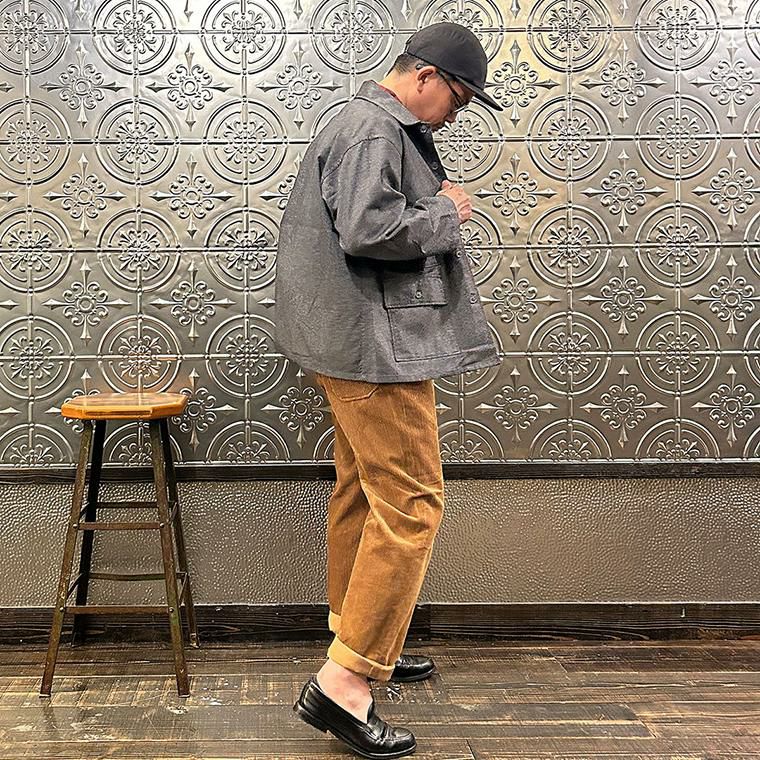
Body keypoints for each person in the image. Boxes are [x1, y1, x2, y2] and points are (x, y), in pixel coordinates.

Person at [274, 21, 503, 759]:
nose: (455, 114)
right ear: (424, 76)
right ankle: (344, 684)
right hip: (376, 348)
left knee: (363, 493)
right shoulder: (375, 129)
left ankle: (363, 636)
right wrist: (446, 212)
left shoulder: (364, 122)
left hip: (351, 340)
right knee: (412, 501)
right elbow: (368, 231)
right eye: (458, 99)